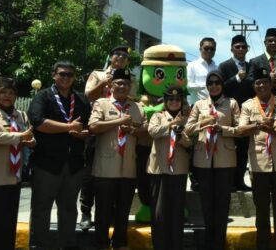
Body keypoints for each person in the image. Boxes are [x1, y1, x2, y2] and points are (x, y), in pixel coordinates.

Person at [28, 61, 92, 250]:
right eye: (62, 74)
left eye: (70, 75)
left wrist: (83, 133)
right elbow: (38, 122)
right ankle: (41, 245)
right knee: (41, 208)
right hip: (47, 164)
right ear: (54, 75)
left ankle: (68, 244)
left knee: (69, 208)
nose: (66, 78)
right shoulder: (43, 96)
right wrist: (69, 127)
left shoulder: (81, 99)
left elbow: (89, 126)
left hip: (74, 165)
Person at [237, 66, 276, 250]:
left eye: (264, 82)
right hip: (258, 163)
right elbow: (241, 129)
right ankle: (262, 244)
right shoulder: (247, 105)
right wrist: (258, 124)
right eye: (257, 83)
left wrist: (273, 130)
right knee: (261, 208)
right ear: (254, 86)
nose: (261, 85)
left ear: (271, 84)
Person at [88, 68, 145, 250]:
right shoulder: (101, 104)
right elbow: (93, 126)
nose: (122, 86)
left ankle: (120, 243)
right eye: (119, 83)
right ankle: (101, 244)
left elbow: (145, 130)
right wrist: (119, 122)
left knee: (123, 211)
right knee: (103, 211)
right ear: (111, 85)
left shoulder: (137, 107)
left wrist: (133, 130)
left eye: (126, 84)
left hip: (128, 167)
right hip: (105, 167)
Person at [185, 72, 241, 250]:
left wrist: (222, 128)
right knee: (207, 203)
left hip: (225, 159)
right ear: (206, 86)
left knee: (222, 204)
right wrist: (203, 124)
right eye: (210, 83)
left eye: (217, 82)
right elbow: (188, 129)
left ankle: (219, 243)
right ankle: (209, 242)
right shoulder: (200, 105)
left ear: (222, 85)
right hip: (203, 160)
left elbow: (240, 129)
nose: (214, 86)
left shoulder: (231, 103)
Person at [0, 77, 35, 250]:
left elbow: (28, 135)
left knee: (8, 222)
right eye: (3, 92)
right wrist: (20, 137)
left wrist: (30, 141)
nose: (7, 96)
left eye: (11, 93)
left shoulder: (20, 115)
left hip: (14, 178)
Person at [81, 44, 133, 230]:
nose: (120, 58)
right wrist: (105, 83)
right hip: (99, 125)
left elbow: (133, 100)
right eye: (117, 55)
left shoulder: (129, 78)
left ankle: (110, 212)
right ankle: (86, 211)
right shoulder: (98, 74)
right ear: (110, 57)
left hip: (121, 128)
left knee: (114, 171)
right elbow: (87, 96)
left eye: (124, 57)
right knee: (90, 170)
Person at [148, 86, 193, 250]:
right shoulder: (157, 116)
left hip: (178, 169)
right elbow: (152, 132)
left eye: (177, 100)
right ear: (165, 102)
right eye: (171, 100)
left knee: (176, 212)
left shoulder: (187, 119)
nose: (174, 102)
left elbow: (190, 142)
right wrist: (170, 126)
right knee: (159, 213)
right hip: (159, 169)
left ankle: (176, 245)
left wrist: (180, 135)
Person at [218, 34, 254, 192]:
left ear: (247, 49)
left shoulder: (251, 65)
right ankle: (229, 181)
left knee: (243, 148)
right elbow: (221, 87)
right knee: (229, 147)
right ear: (231, 48)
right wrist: (236, 79)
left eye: (243, 46)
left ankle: (239, 180)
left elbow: (254, 86)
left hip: (246, 112)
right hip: (228, 111)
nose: (240, 49)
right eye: (237, 46)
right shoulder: (224, 66)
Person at [249, 28, 276, 97]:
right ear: (265, 42)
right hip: (261, 102)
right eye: (270, 41)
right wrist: (268, 80)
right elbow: (250, 81)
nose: (273, 43)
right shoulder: (255, 62)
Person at [188, 37, 219, 105]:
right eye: (206, 48)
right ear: (200, 49)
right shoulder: (192, 65)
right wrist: (204, 86)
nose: (209, 51)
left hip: (215, 107)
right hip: (197, 106)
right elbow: (187, 86)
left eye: (212, 49)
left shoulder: (217, 68)